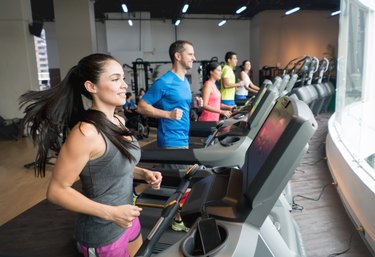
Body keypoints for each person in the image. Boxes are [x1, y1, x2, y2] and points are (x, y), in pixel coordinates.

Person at [19, 53, 162, 257]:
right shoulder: (86, 133)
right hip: (102, 232)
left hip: (127, 217)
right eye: (115, 79)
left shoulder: (119, 121)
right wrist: (111, 213)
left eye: (122, 77)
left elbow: (111, 165)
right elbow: (57, 191)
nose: (124, 85)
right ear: (91, 87)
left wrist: (142, 173)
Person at [137, 40, 195, 232]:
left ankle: (135, 191)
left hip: (182, 138)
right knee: (183, 185)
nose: (194, 58)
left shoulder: (185, 80)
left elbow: (181, 106)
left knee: (167, 178)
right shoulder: (164, 82)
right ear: (178, 56)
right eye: (190, 54)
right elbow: (142, 106)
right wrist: (166, 114)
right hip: (171, 140)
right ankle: (177, 219)